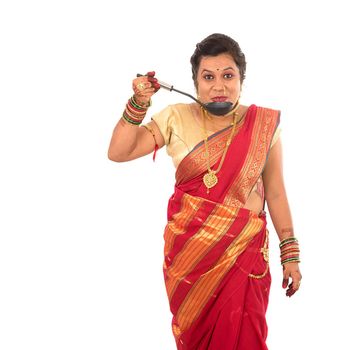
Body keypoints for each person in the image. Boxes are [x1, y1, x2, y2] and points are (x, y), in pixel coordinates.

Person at [108, 33, 302, 350]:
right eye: (208, 77)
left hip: (244, 256)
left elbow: (276, 193)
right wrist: (139, 102)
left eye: (228, 75)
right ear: (196, 81)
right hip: (191, 261)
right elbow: (119, 151)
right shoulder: (175, 118)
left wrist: (290, 254)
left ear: (241, 79)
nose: (219, 86)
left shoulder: (262, 125)